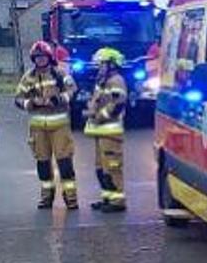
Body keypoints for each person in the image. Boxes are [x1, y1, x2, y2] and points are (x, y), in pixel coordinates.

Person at [14, 40, 80, 210]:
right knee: (42, 164)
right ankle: (46, 196)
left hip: (59, 126)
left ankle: (71, 198)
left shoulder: (59, 74)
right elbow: (18, 98)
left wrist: (58, 99)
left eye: (43, 57)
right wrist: (31, 103)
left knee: (64, 163)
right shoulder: (28, 77)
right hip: (38, 129)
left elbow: (73, 90)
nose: (40, 60)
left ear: (49, 57)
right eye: (37, 57)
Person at [83, 47, 129, 213]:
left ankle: (117, 201)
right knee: (101, 167)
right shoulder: (102, 81)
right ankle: (107, 197)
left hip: (110, 132)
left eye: (102, 64)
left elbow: (118, 104)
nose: (99, 67)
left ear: (111, 64)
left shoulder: (116, 81)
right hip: (100, 131)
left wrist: (99, 116)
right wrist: (90, 112)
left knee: (112, 166)